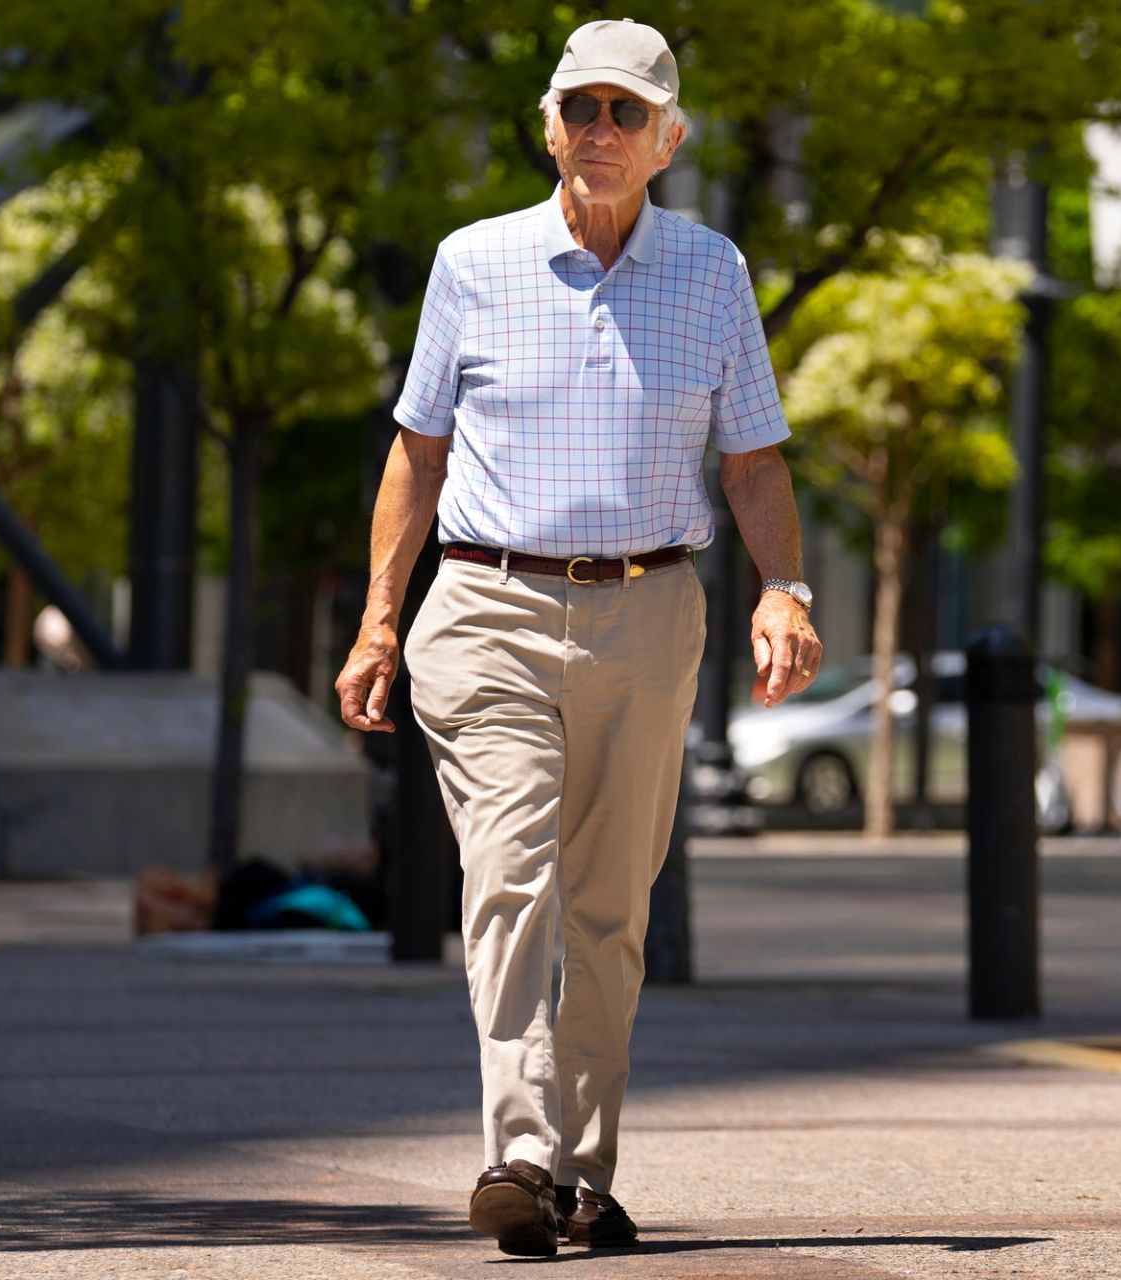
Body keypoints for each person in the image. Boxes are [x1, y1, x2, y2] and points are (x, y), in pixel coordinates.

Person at [333, 17, 821, 1257]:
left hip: (651, 613)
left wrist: (788, 589)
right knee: (510, 875)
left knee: (609, 908)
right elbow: (418, 449)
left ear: (668, 139)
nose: (599, 131)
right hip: (487, 605)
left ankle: (581, 1175)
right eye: (580, 109)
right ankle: (519, 1149)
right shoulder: (473, 262)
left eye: (626, 112)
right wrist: (380, 619)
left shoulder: (713, 271)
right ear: (548, 127)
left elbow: (753, 459)